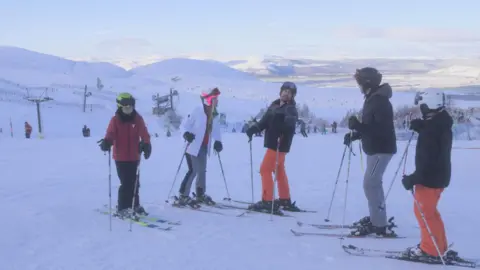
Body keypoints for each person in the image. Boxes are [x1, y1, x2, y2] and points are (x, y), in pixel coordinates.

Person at [401, 90, 458, 261]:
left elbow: (429, 158)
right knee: (430, 212)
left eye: (423, 105)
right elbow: (434, 143)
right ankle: (438, 246)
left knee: (423, 212)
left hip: (429, 178)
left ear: (429, 105)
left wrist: (414, 178)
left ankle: (430, 249)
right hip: (438, 176)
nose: (422, 109)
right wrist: (423, 128)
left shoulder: (432, 130)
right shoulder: (440, 123)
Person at [344, 67, 397, 237]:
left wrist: (359, 126)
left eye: (360, 81)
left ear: (367, 82)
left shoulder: (380, 101)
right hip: (375, 149)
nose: (358, 85)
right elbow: (371, 127)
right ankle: (377, 218)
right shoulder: (372, 99)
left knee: (371, 184)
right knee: (374, 185)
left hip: (381, 150)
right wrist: (356, 134)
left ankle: (379, 224)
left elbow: (381, 130)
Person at [245, 81, 302, 214]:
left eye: (289, 93)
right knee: (279, 171)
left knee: (265, 169)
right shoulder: (274, 105)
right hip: (273, 143)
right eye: (284, 91)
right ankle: (284, 199)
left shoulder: (291, 109)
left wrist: (280, 127)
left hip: (279, 144)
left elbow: (290, 126)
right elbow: (264, 122)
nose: (286, 94)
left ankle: (267, 201)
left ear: (292, 96)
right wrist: (254, 129)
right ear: (280, 91)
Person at [98, 92, 152, 218]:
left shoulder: (137, 119)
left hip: (134, 156)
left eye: (130, 107)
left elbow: (144, 133)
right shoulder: (115, 120)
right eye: (126, 107)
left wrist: (146, 144)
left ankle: (134, 205)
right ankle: (123, 207)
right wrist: (107, 142)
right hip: (120, 157)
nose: (128, 110)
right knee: (126, 182)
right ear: (120, 107)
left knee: (135, 182)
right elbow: (110, 134)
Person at [175, 88, 223, 207]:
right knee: (193, 170)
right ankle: (183, 195)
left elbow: (215, 128)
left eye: (217, 98)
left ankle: (200, 193)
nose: (216, 101)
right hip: (191, 145)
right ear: (208, 99)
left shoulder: (214, 113)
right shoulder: (197, 110)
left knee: (202, 170)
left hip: (204, 145)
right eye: (214, 98)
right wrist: (186, 134)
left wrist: (218, 141)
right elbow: (184, 125)